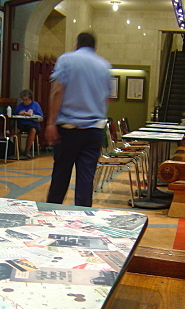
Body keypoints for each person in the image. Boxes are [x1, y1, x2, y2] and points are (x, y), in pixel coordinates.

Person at [45, 32, 111, 207]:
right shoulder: (104, 66)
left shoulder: (66, 60)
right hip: (94, 130)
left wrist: (51, 122)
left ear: (76, 44)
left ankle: (50, 215)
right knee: (85, 179)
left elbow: (58, 90)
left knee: (60, 176)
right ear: (94, 47)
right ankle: (82, 222)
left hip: (68, 129)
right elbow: (106, 98)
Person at [13, 89, 44, 158]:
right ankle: (19, 150)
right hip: (21, 124)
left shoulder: (36, 105)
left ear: (30, 99)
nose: (25, 102)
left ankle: (27, 150)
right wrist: (19, 113)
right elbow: (14, 115)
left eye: (26, 100)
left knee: (32, 131)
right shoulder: (20, 106)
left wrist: (32, 115)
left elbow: (41, 118)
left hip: (32, 124)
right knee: (15, 131)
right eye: (23, 100)